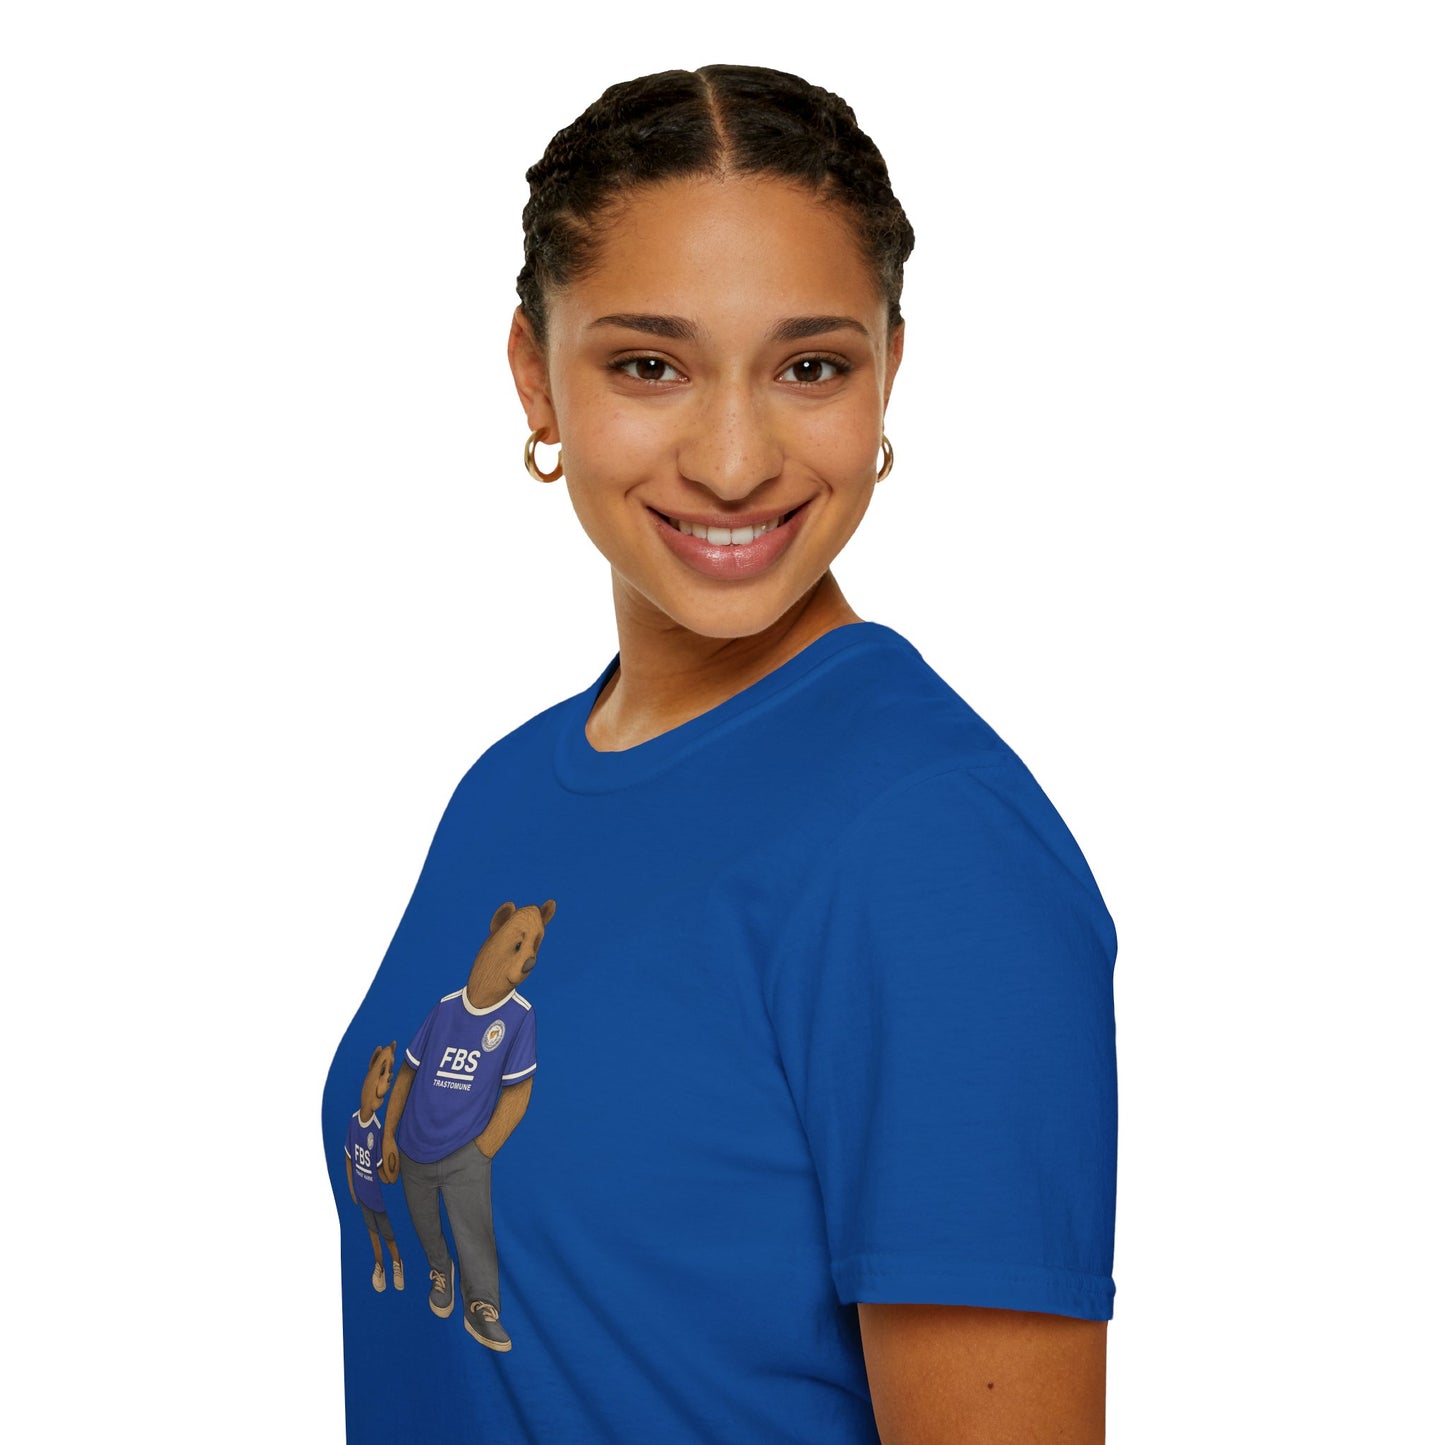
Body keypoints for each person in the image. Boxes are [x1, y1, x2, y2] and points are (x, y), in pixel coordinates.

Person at [323, 63, 1117, 1443]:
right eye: (649, 364)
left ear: (889, 372)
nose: (736, 457)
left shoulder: (930, 848)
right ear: (535, 373)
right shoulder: (507, 787)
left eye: (810, 366)